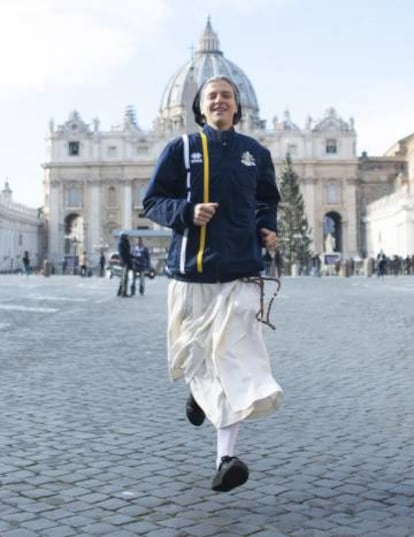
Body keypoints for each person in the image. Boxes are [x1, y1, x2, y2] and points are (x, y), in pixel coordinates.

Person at [143, 75, 283, 492]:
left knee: (237, 362)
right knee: (197, 358)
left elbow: (266, 201)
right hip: (192, 273)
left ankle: (227, 459)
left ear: (238, 107)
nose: (220, 101)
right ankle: (199, 393)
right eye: (211, 96)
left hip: (240, 274)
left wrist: (267, 228)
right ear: (200, 109)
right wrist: (187, 211)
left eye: (227, 95)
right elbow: (151, 201)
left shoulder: (256, 154)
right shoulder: (181, 149)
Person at [117, 233, 132, 297]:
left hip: (124, 262)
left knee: (123, 278)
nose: (128, 238)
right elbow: (124, 254)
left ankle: (119, 292)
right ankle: (123, 292)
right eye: (127, 237)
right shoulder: (123, 243)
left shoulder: (122, 243)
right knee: (125, 278)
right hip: (125, 262)